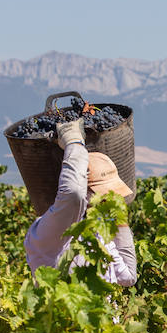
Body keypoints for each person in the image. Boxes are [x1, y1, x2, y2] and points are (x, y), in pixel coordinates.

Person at [24, 118, 138, 286]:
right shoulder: (52, 231)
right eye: (102, 195)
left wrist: (119, 217)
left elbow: (128, 277)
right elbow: (73, 193)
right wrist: (74, 143)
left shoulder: (98, 235)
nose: (110, 201)